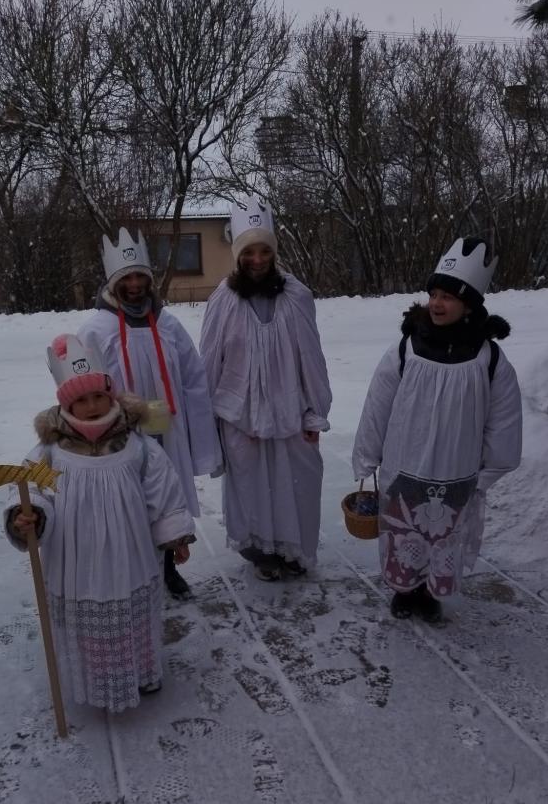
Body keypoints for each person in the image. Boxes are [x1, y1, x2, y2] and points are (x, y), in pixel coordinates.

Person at [4, 333, 195, 713]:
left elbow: (163, 491)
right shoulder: (50, 453)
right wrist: (28, 515)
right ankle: (97, 677)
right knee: (91, 622)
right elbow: (30, 491)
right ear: (66, 404)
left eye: (98, 396)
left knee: (133, 615)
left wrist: (174, 535)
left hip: (131, 551)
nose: (91, 405)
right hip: (77, 557)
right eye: (81, 399)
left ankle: (141, 669)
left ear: (111, 395)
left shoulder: (138, 446)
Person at [352, 237, 523, 622]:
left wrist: (491, 469)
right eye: (434, 295)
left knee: (443, 533)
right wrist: (367, 454)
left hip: (456, 467)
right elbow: (378, 405)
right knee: (405, 530)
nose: (437, 303)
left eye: (448, 297)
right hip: (406, 462)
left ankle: (431, 591)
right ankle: (405, 588)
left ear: (469, 305)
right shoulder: (406, 350)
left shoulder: (489, 360)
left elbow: (504, 419)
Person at [79, 229, 221, 599]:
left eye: (140, 276)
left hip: (166, 429)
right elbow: (82, 387)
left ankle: (168, 568)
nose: (134, 285)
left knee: (166, 497)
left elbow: (193, 377)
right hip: (121, 433)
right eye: (126, 278)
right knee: (129, 502)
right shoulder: (95, 330)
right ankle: (135, 574)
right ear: (114, 282)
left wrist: (197, 429)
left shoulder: (169, 325)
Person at [199, 198, 332, 580]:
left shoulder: (297, 296)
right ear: (237, 255)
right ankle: (261, 554)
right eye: (248, 252)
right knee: (252, 487)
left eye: (264, 251)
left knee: (297, 485)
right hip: (240, 415)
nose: (257, 260)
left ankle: (293, 551)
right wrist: (209, 421)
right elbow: (209, 361)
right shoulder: (222, 301)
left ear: (274, 253)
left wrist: (316, 410)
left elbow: (312, 357)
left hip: (292, 412)